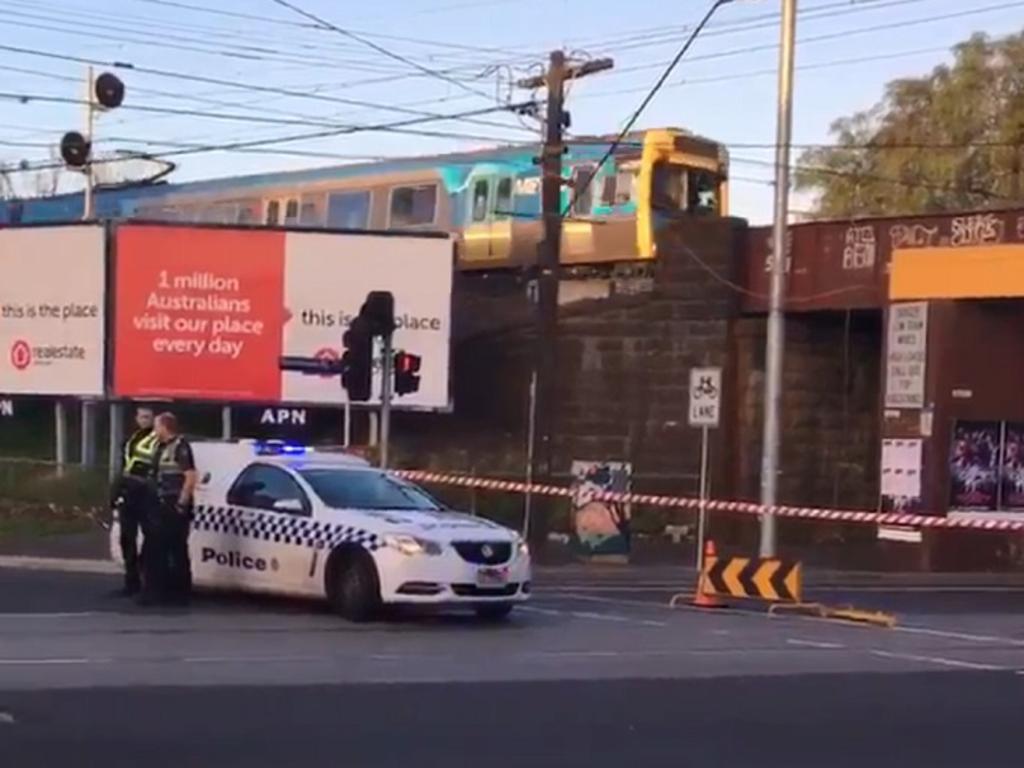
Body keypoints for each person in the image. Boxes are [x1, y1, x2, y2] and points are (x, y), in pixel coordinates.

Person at [139, 412, 197, 606]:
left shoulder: (180, 447)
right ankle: (160, 591)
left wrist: (182, 503)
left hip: (173, 505)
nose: (155, 430)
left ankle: (179, 593)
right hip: (158, 504)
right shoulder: (160, 447)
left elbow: (190, 476)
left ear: (165, 427)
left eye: (157, 426)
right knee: (157, 549)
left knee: (176, 549)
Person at [110, 405, 158, 596]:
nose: (145, 420)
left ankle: (146, 581)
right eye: (142, 417)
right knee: (126, 538)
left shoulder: (156, 439)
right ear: (136, 418)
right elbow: (125, 466)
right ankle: (131, 582)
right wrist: (116, 492)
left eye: (148, 416)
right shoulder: (132, 438)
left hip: (146, 493)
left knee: (150, 538)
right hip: (129, 491)